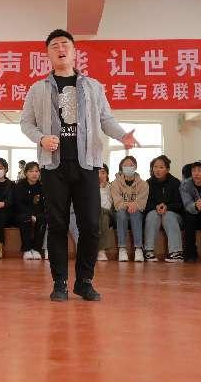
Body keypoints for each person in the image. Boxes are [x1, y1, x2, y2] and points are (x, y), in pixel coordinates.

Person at [21, 29, 138, 302]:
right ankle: (60, 283)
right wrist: (41, 138)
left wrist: (122, 135)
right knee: (57, 225)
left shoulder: (93, 86)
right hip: (53, 166)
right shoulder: (38, 89)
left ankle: (84, 281)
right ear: (48, 54)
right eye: (54, 46)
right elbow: (26, 123)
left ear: (74, 52)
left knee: (91, 225)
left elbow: (106, 119)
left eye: (65, 45)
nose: (60, 49)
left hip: (87, 164)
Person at [144, 155, 184, 262]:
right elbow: (144, 204)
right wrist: (155, 207)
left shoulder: (175, 183)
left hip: (173, 215)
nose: (157, 170)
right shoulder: (147, 183)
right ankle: (148, 251)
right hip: (155, 214)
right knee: (152, 214)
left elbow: (180, 204)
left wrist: (167, 207)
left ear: (167, 169)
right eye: (155, 167)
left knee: (168, 215)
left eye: (161, 167)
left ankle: (176, 252)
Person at [110, 156, 149, 262]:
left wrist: (134, 205)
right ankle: (122, 248)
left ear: (135, 167)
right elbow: (117, 203)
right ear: (121, 167)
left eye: (131, 165)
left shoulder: (143, 184)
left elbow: (142, 203)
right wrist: (130, 204)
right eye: (125, 165)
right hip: (120, 214)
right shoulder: (115, 183)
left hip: (136, 213)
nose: (128, 167)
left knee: (135, 212)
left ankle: (138, 249)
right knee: (121, 213)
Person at [14, 161, 45, 260]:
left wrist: (36, 215)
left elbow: (42, 204)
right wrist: (30, 215)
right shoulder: (20, 186)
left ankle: (36, 249)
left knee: (42, 219)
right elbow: (18, 204)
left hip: (37, 213)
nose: (34, 174)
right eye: (31, 171)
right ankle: (27, 249)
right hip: (21, 213)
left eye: (36, 171)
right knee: (26, 219)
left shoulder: (42, 186)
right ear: (26, 173)